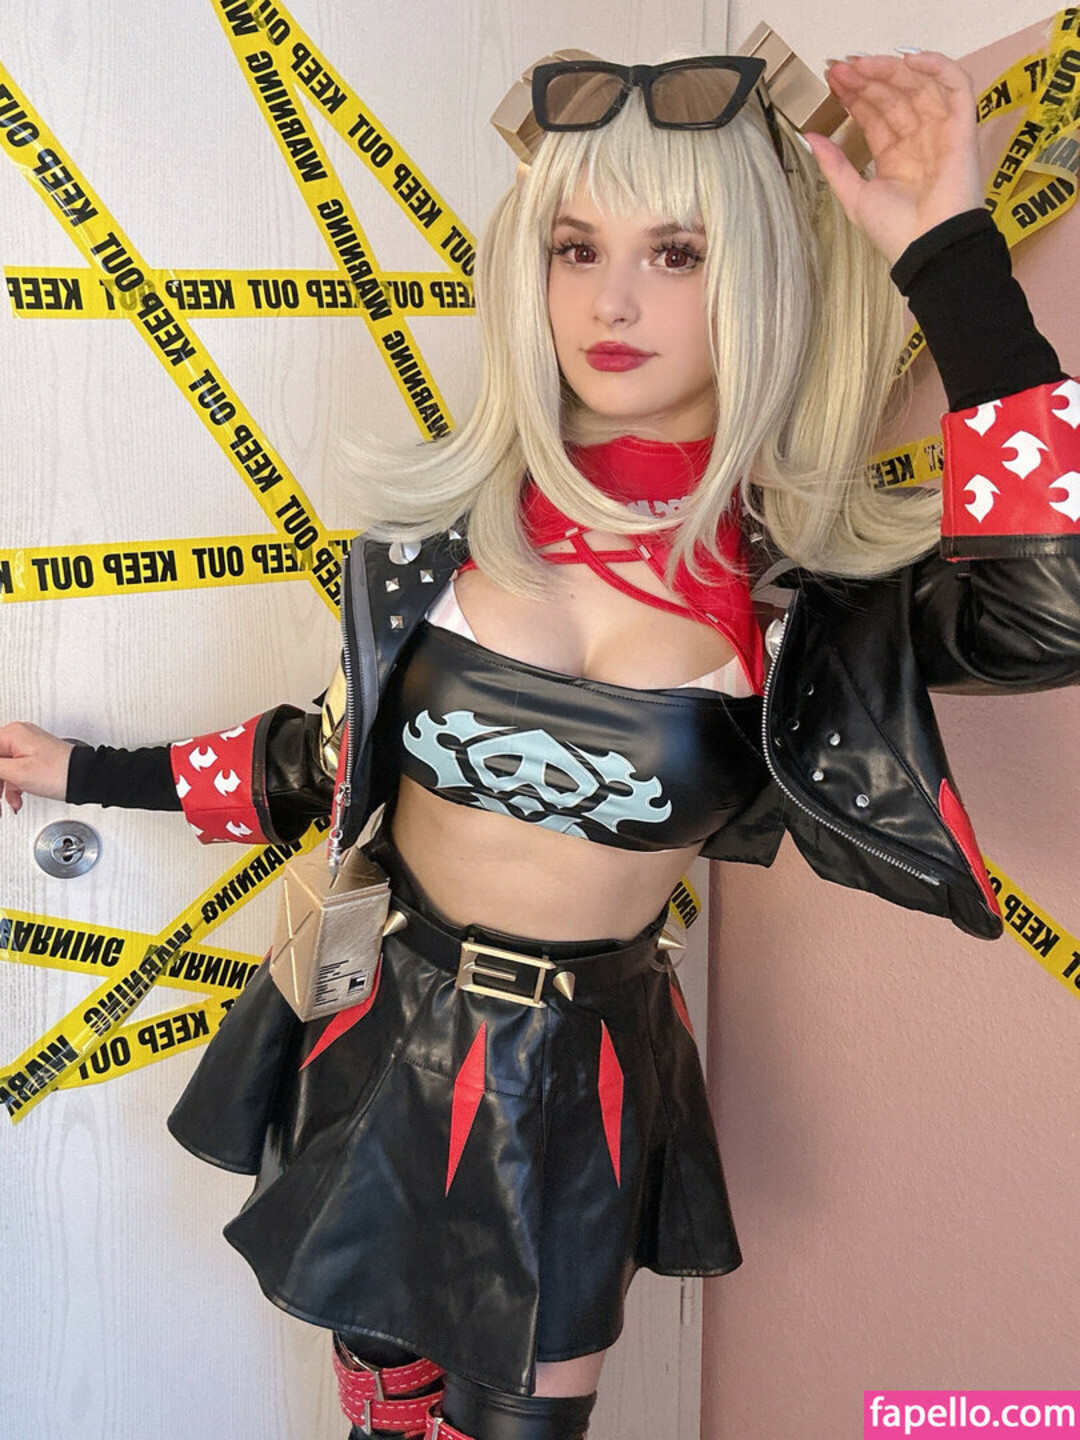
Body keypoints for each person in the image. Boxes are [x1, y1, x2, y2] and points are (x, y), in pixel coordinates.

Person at [2, 46, 1078, 1440]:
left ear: (757, 274)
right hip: (379, 1026)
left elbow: (1049, 611)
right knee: (383, 1409)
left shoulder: (797, 598)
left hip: (584, 1073)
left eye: (676, 252)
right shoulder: (436, 550)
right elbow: (323, 761)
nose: (611, 301)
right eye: (578, 247)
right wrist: (81, 773)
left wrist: (949, 253)